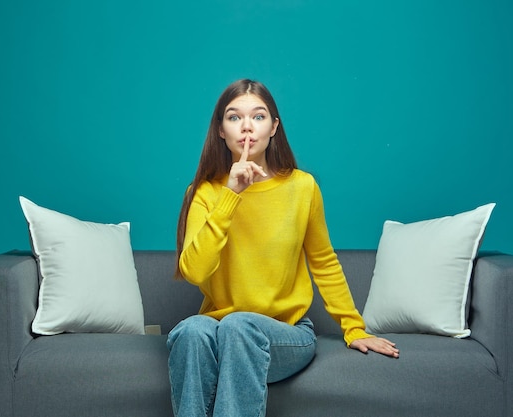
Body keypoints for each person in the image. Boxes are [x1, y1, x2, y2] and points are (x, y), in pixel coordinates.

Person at [169, 79, 399, 417]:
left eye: (258, 117)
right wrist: (231, 195)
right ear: (220, 130)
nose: (246, 126)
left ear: (274, 126)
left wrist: (353, 328)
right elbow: (195, 271)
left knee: (239, 326)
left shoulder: (302, 187)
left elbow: (323, 261)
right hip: (220, 331)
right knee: (191, 329)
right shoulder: (203, 193)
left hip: (287, 335)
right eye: (234, 118)